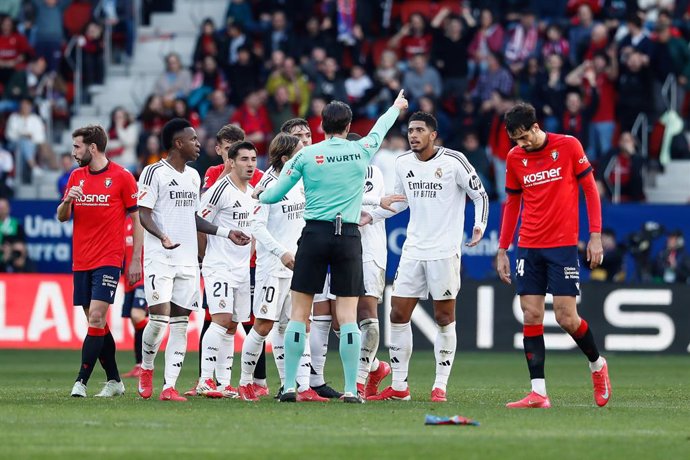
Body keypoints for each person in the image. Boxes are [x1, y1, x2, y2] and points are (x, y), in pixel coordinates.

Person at [255, 91, 408, 403]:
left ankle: (288, 387)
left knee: (298, 314)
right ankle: (351, 388)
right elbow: (379, 128)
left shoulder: (305, 156)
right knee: (348, 316)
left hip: (313, 235)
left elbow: (272, 195)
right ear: (349, 124)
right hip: (348, 237)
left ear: (321, 125)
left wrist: (258, 197)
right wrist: (396, 107)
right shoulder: (361, 151)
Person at [361, 112, 489, 403]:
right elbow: (398, 202)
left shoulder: (454, 161)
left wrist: (479, 224)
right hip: (413, 250)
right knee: (397, 314)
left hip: (444, 251)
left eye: (419, 130)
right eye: (410, 130)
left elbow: (480, 195)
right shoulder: (402, 162)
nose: (413, 135)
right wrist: (370, 216)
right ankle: (399, 386)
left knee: (444, 318)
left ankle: (439, 386)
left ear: (433, 134)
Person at [495, 103, 611, 409]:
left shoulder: (568, 146)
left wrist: (595, 236)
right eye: (515, 141)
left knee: (565, 317)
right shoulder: (515, 158)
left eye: (523, 138)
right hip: (528, 246)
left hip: (561, 246)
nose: (521, 145)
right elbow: (512, 204)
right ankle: (538, 392)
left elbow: (590, 190)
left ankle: (597, 365)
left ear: (535, 127)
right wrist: (503, 249)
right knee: (531, 315)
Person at [136, 118, 250, 402]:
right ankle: (147, 367)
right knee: (159, 320)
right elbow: (144, 213)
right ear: (178, 143)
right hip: (160, 257)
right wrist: (161, 235)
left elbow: (195, 217)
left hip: (187, 260)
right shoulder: (153, 173)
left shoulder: (194, 176)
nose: (199, 144)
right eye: (193, 140)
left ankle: (169, 387)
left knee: (181, 323)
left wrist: (226, 232)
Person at [238, 133, 327, 402]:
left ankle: (302, 387)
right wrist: (281, 252)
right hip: (273, 267)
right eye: (300, 153)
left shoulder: (300, 182)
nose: (306, 156)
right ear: (286, 158)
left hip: (298, 265)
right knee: (264, 325)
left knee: (300, 324)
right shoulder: (267, 185)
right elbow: (256, 227)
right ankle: (245, 383)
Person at [57, 125, 142, 398]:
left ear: (92, 148)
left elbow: (137, 221)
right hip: (82, 260)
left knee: (96, 316)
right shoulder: (76, 177)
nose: (74, 152)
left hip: (109, 258)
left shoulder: (122, 177)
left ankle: (81, 381)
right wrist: (67, 201)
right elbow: (61, 216)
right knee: (97, 324)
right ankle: (115, 380)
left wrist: (135, 260)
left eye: (77, 147)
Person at [279, 117, 340, 399]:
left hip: (316, 248)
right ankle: (289, 382)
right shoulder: (285, 176)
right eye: (298, 136)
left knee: (319, 316)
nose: (305, 139)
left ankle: (313, 379)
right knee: (289, 321)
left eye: (307, 134)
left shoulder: (318, 167)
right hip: (289, 256)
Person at [196, 141, 257, 400]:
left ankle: (223, 382)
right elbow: (197, 219)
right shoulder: (219, 189)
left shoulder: (253, 192)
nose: (250, 164)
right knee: (220, 319)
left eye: (253, 159)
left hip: (242, 267)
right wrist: (205, 255)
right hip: (219, 265)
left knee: (232, 324)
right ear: (231, 161)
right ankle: (205, 378)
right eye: (244, 159)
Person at [120, 215, 147, 378]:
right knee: (135, 321)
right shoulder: (124, 222)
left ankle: (156, 330)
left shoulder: (145, 220)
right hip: (129, 280)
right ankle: (140, 365)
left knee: (137, 316)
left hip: (144, 277)